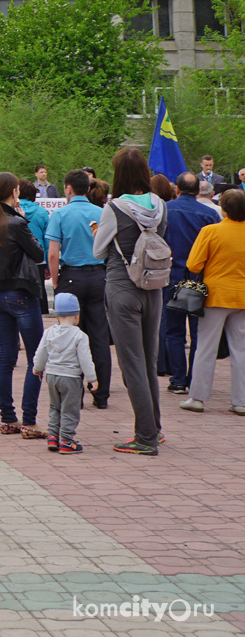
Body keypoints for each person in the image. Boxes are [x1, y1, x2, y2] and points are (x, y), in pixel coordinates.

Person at [92, 147, 169, 455]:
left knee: (132, 364)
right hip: (154, 286)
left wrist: (99, 232)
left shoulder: (115, 208)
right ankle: (155, 428)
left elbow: (98, 251)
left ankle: (145, 437)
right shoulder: (160, 204)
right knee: (148, 360)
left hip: (123, 288)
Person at [0, 173, 47, 438]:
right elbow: (38, 252)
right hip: (20, 293)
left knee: (7, 357)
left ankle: (8, 418)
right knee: (36, 358)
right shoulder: (16, 222)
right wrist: (23, 219)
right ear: (14, 191)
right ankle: (29, 420)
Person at [46, 169, 112, 409]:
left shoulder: (61, 214)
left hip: (71, 276)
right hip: (98, 275)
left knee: (70, 336)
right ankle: (101, 394)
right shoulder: (102, 212)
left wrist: (55, 282)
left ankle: (75, 394)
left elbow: (53, 253)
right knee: (99, 336)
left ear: (68, 188)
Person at [179, 188, 245, 415]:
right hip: (242, 296)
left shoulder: (211, 231)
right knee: (241, 350)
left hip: (215, 295)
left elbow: (193, 264)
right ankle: (241, 400)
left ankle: (197, 397)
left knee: (206, 347)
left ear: (223, 209)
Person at [160, 172, 219, 395]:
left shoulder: (165, 210)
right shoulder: (209, 214)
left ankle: (177, 379)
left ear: (177, 189)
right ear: (198, 192)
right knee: (197, 332)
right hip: (200, 278)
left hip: (171, 275)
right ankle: (194, 378)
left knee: (173, 330)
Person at [32, 292, 97, 454]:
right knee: (70, 409)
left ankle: (53, 436)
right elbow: (85, 360)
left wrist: (37, 368)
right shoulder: (80, 336)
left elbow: (41, 352)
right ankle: (67, 441)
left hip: (52, 376)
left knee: (55, 406)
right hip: (71, 378)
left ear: (56, 316)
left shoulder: (48, 332)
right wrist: (92, 378)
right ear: (77, 315)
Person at [16, 181, 50, 254]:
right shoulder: (43, 212)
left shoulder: (11, 211)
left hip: (18, 258)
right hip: (39, 255)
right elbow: (48, 240)